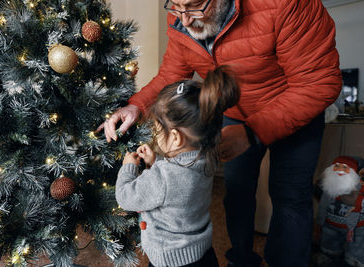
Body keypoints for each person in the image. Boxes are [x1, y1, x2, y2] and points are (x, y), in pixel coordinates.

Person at [99, 0, 342, 266]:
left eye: (194, 6)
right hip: (235, 113)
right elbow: (172, 73)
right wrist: (137, 105)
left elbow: (319, 81)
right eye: (176, 5)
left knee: (290, 198)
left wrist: (253, 131)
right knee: (237, 190)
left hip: (295, 110)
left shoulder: (286, 4)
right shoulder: (181, 15)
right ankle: (241, 259)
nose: (185, 19)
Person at [115, 66, 239, 267]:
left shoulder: (162, 178)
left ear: (175, 137)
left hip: (169, 258)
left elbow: (126, 197)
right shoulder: (208, 156)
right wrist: (157, 162)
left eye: (157, 129)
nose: (155, 134)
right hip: (202, 253)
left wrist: (128, 167)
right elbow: (180, 180)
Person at [314, 156, 364, 267]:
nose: (340, 170)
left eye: (345, 167)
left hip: (356, 228)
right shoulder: (329, 187)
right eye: (337, 166)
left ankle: (354, 261)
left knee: (356, 249)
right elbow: (323, 206)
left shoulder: (360, 189)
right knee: (329, 245)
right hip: (331, 226)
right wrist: (320, 222)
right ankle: (328, 256)